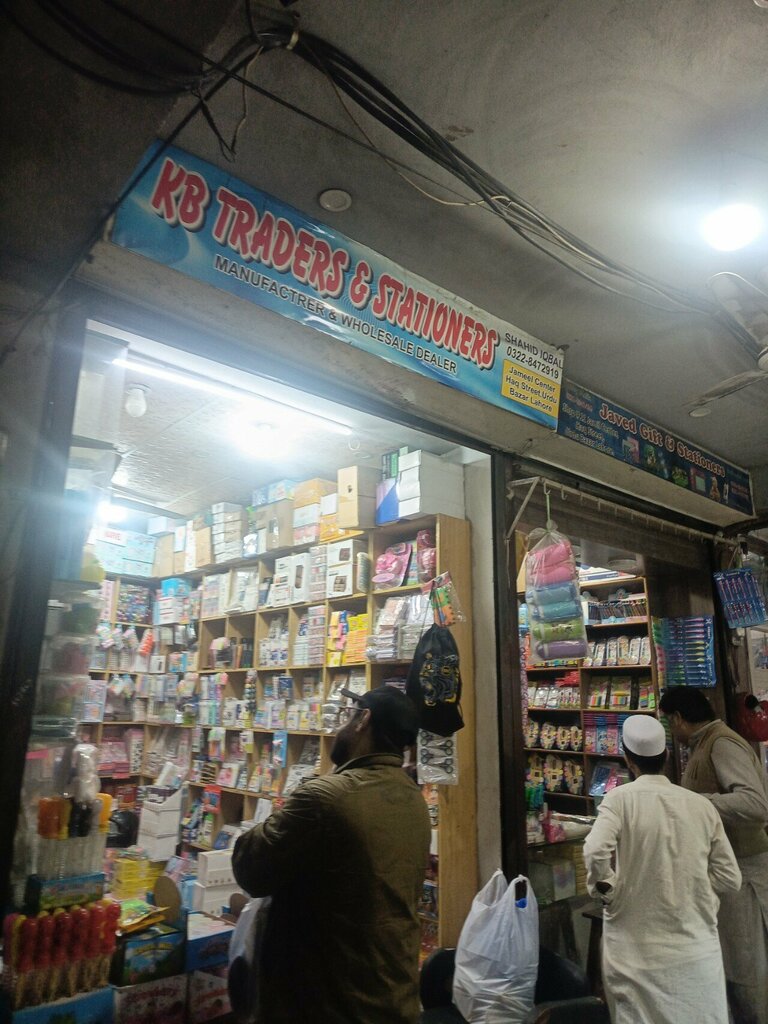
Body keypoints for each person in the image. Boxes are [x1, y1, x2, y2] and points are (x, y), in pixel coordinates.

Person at [232, 685, 431, 1024]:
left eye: (347, 716)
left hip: (326, 1004)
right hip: (393, 998)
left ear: (363, 720)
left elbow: (249, 869)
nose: (339, 726)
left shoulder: (325, 798)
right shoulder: (414, 800)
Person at [583, 715, 741, 1024]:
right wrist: (694, 889)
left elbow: (594, 850)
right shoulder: (701, 806)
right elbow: (729, 878)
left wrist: (607, 890)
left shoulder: (618, 800)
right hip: (695, 952)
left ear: (628, 760)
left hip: (635, 953)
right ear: (666, 756)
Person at [660, 686, 768, 1024]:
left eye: (669, 722)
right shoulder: (703, 744)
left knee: (747, 969)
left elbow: (755, 803)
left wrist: (696, 802)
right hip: (727, 873)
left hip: (744, 872)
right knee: (735, 965)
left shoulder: (721, 743)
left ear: (678, 719)